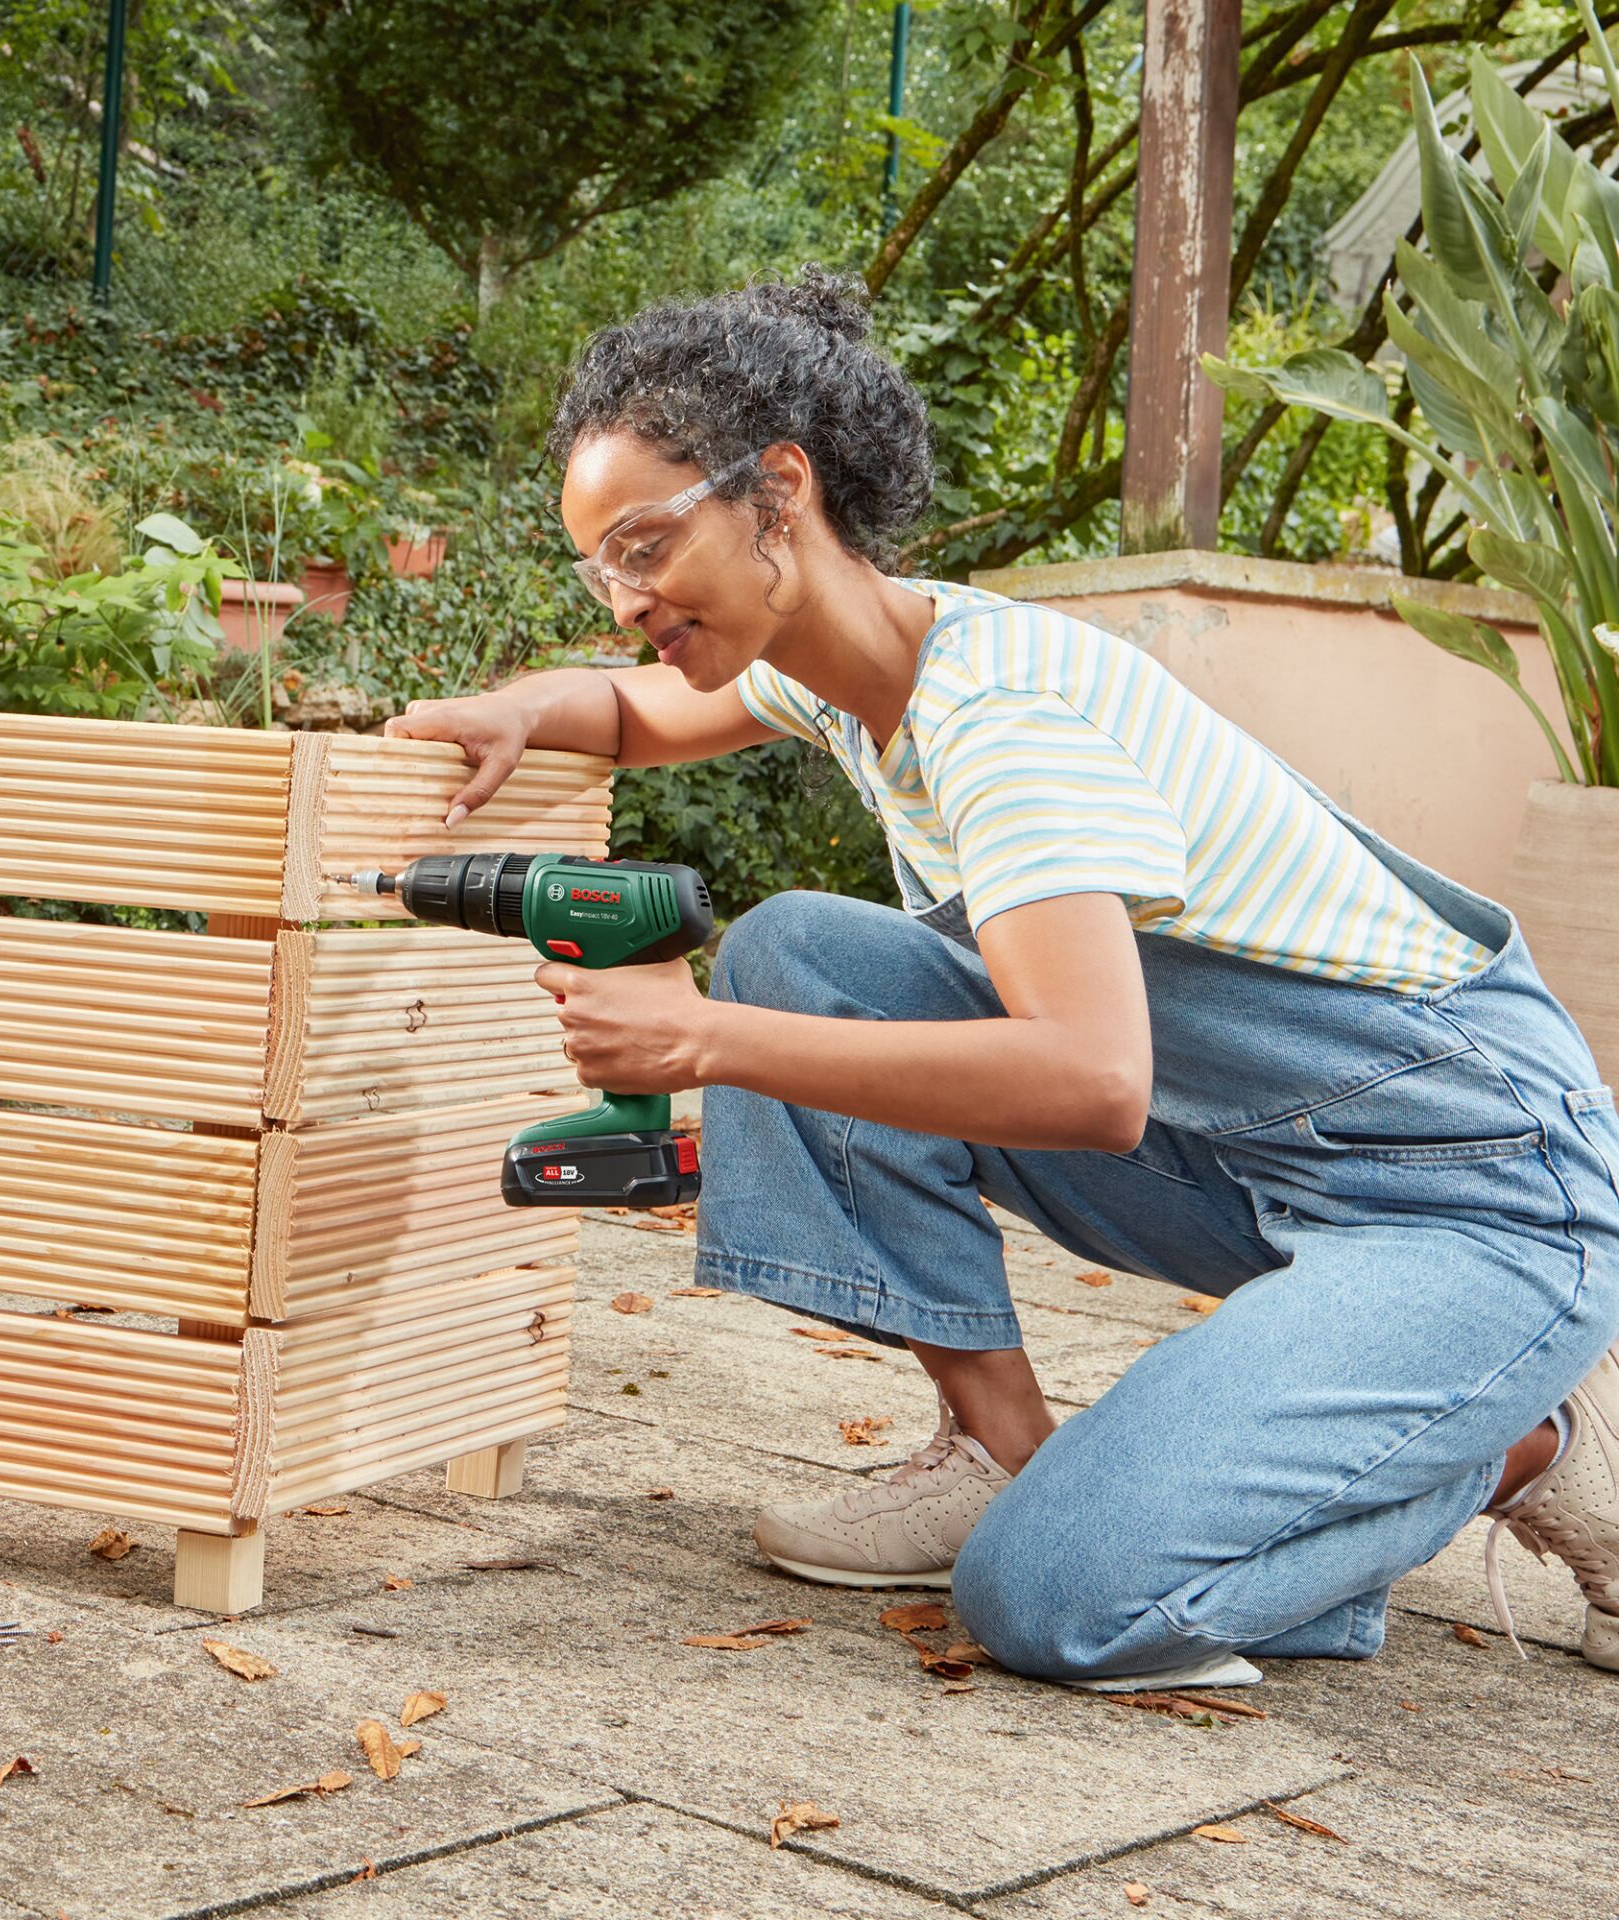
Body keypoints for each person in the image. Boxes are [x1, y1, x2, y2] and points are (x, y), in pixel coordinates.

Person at [383, 264, 1619, 1686]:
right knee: (800, 955)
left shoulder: (1000, 717)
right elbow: (636, 708)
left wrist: (705, 1042)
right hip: (1259, 1159)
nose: (626, 601)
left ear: (778, 490)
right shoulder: (857, 671)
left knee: (1053, 1600)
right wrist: (517, 709)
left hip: (1473, 1193)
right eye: (601, 569)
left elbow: (1092, 1083)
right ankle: (1002, 1450)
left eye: (647, 547)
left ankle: (1528, 1436)